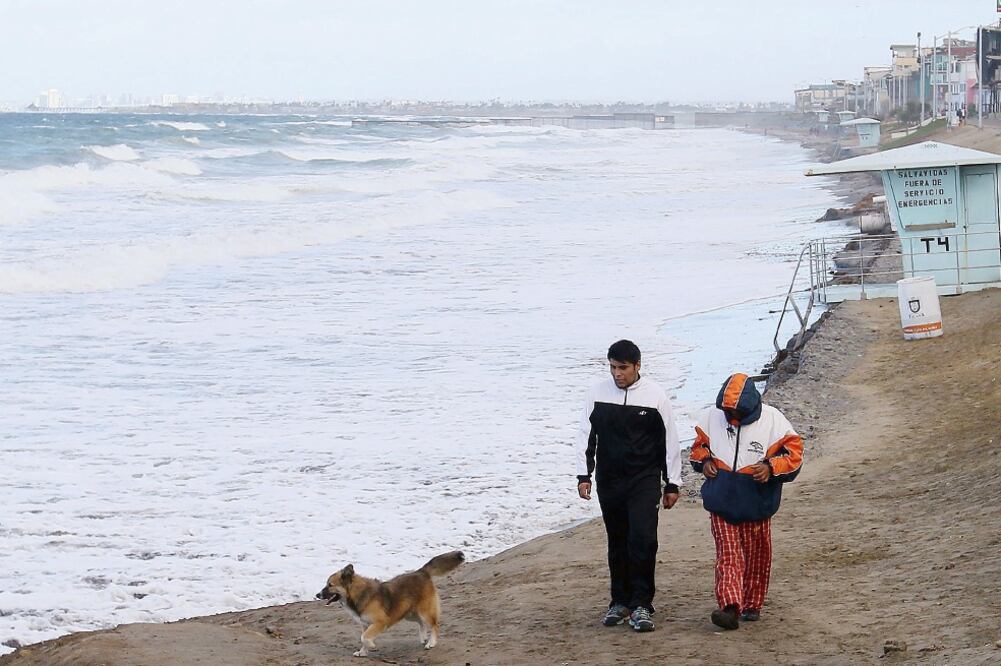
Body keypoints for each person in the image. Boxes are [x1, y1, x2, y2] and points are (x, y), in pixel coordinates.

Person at [575, 340, 682, 632]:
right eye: (612, 367)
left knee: (644, 539)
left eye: (622, 368)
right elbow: (586, 434)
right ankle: (619, 601)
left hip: (644, 479)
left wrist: (672, 483)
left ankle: (642, 604)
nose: (617, 373)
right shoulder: (597, 393)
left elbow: (668, 440)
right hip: (609, 480)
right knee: (618, 541)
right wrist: (583, 475)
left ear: (637, 366)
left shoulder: (655, 396)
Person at [689, 372, 803, 630]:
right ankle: (729, 607)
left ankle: (752, 604)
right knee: (728, 556)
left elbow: (794, 456)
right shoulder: (710, 417)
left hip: (757, 504)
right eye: (729, 412)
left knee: (757, 556)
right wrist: (704, 461)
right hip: (721, 502)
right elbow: (698, 447)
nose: (733, 418)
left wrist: (771, 468)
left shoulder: (774, 421)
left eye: (737, 413)